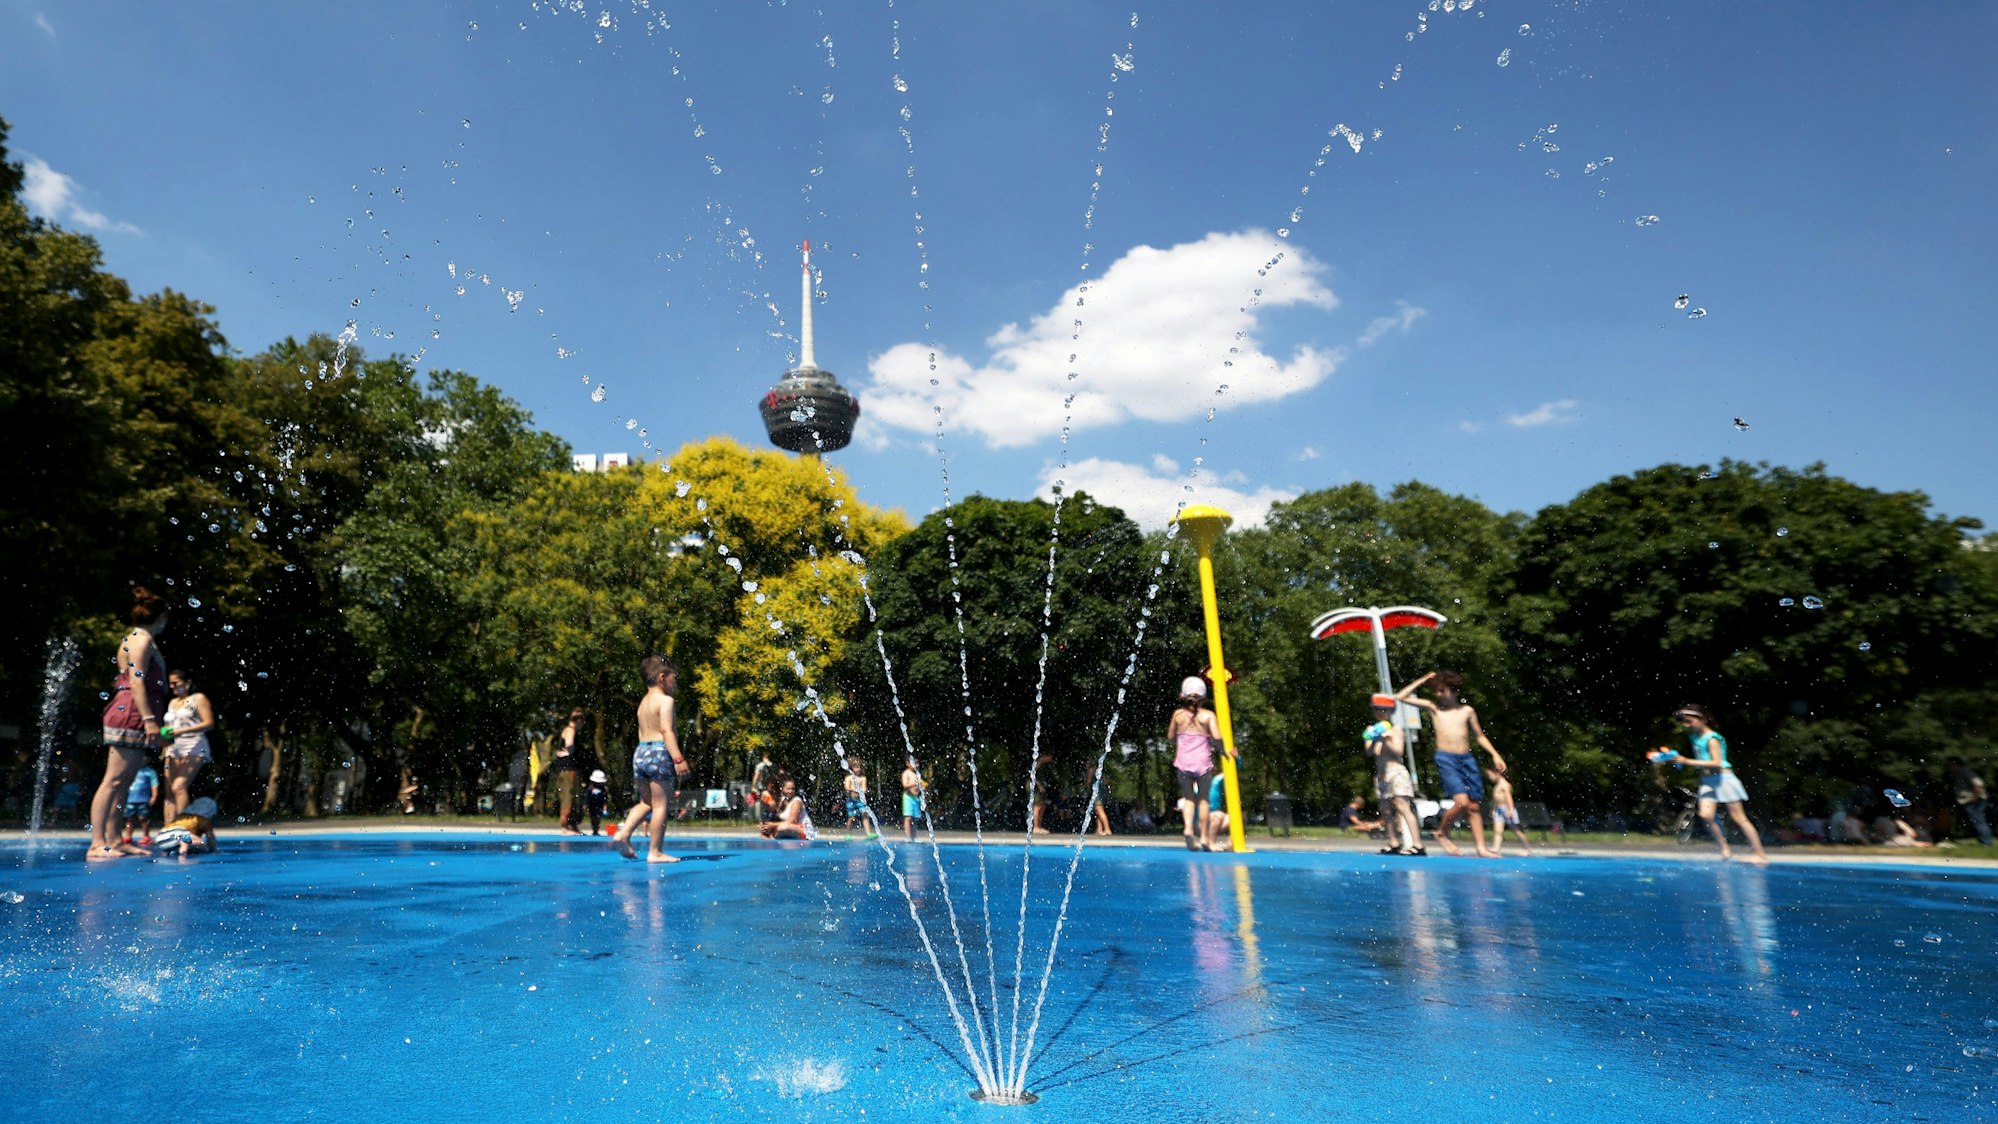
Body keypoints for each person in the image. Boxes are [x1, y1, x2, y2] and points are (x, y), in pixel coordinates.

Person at [92, 588, 170, 860]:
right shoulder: (141, 640)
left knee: (124, 782)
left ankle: (115, 840)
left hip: (136, 712)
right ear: (161, 616)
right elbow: (136, 680)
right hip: (131, 714)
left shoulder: (138, 638)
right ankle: (97, 842)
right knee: (113, 780)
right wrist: (150, 721)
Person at [1396, 671, 1506, 858]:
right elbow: (1400, 697)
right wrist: (1423, 680)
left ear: (1455, 692)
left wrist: (1495, 755)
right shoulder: (1434, 708)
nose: (1439, 695)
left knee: (1473, 805)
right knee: (1462, 802)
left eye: (1443, 691)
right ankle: (1441, 832)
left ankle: (1480, 847)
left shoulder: (1467, 711)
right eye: (1437, 691)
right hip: (1446, 758)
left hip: (1466, 759)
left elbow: (1479, 736)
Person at [1655, 704, 1768, 864]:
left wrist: (1687, 761)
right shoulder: (1695, 737)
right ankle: (1724, 849)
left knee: (1739, 818)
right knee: (1706, 814)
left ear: (1703, 719)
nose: (1687, 725)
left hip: (1724, 780)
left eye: (1690, 721)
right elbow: (1702, 763)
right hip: (1708, 782)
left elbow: (1717, 762)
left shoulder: (1713, 738)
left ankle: (1760, 854)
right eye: (1685, 722)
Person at [610, 655, 689, 863]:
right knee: (661, 805)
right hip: (660, 752)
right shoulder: (666, 701)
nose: (675, 684)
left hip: (641, 752)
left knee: (647, 802)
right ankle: (655, 851)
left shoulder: (643, 703)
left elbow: (641, 732)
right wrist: (678, 759)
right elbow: (666, 730)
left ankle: (623, 833)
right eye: (674, 679)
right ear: (662, 677)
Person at [1167, 676, 1226, 851]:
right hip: (1202, 762)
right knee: (1203, 800)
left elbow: (1170, 737)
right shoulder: (1208, 716)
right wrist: (1221, 750)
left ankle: (1187, 829)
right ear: (1205, 698)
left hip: (1183, 761)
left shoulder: (1177, 715)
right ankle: (1205, 838)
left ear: (1182, 696)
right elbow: (1217, 737)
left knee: (1188, 799)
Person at [1367, 693, 1424, 855]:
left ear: (1391, 712)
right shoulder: (1372, 730)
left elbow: (1398, 751)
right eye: (1377, 710)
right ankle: (1393, 842)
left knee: (1402, 806)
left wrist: (1386, 739)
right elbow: (1370, 752)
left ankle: (1418, 844)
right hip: (1381, 774)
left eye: (1384, 710)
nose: (1380, 713)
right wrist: (1374, 738)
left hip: (1396, 771)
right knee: (1385, 810)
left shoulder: (1396, 730)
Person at [161, 669, 214, 823]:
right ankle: (168, 828)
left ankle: (183, 827)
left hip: (195, 744)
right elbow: (168, 727)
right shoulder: (172, 703)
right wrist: (164, 741)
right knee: (170, 792)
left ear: (188, 683)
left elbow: (209, 723)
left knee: (179, 786)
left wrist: (181, 731)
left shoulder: (198, 698)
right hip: (173, 747)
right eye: (170, 683)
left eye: (175, 682)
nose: (172, 686)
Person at [553, 708, 586, 834]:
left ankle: (572, 826)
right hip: (568, 770)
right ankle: (566, 827)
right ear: (579, 720)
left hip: (566, 769)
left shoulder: (566, 729)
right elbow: (569, 744)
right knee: (570, 797)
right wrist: (569, 751)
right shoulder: (570, 730)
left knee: (572, 796)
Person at [1485, 768, 1532, 856]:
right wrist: (1493, 809)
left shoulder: (1505, 785)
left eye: (1490, 775)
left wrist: (1510, 809)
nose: (1489, 778)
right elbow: (1496, 799)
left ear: (1497, 773)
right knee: (1498, 830)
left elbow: (1509, 798)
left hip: (1506, 809)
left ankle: (1528, 848)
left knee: (1516, 831)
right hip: (1498, 810)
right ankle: (1496, 848)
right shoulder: (1497, 785)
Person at [153, 796, 218, 857]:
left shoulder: (182, 817)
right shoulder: (202, 819)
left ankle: (179, 847)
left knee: (181, 842)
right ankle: (184, 846)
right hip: (178, 833)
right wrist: (213, 849)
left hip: (161, 838)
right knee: (201, 843)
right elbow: (210, 837)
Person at [1949, 758, 1992, 846]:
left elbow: (1979, 785)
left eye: (1950, 765)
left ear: (1955, 764)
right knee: (1976, 821)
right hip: (1970, 800)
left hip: (1974, 801)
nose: (1949, 767)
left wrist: (1974, 797)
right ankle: (1984, 841)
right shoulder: (1961, 772)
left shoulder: (1964, 771)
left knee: (1979, 821)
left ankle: (1986, 843)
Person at [122, 764, 161, 847]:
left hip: (143, 800)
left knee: (143, 818)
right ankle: (128, 836)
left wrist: (154, 796)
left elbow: (154, 784)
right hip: (130, 800)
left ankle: (146, 836)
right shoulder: (130, 769)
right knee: (129, 819)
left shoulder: (150, 772)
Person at [843, 757, 873, 836]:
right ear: (852, 768)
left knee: (865, 814)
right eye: (856, 767)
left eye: (860, 767)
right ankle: (848, 834)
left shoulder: (863, 778)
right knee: (851, 818)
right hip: (851, 800)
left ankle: (868, 833)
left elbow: (864, 788)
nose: (859, 769)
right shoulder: (849, 778)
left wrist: (863, 790)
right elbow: (847, 788)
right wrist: (857, 789)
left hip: (860, 800)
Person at [900, 756, 926, 842]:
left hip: (916, 798)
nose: (916, 765)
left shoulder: (917, 774)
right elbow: (904, 785)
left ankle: (914, 836)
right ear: (907, 763)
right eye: (914, 763)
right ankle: (908, 836)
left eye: (917, 763)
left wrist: (923, 786)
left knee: (914, 818)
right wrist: (915, 783)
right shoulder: (906, 773)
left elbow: (920, 786)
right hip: (908, 798)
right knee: (908, 818)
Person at [584, 769, 609, 835]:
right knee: (593, 818)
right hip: (592, 806)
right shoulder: (590, 788)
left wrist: (605, 808)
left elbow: (605, 799)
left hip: (599, 806)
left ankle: (596, 830)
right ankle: (594, 829)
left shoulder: (603, 789)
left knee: (598, 818)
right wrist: (586, 805)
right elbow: (587, 798)